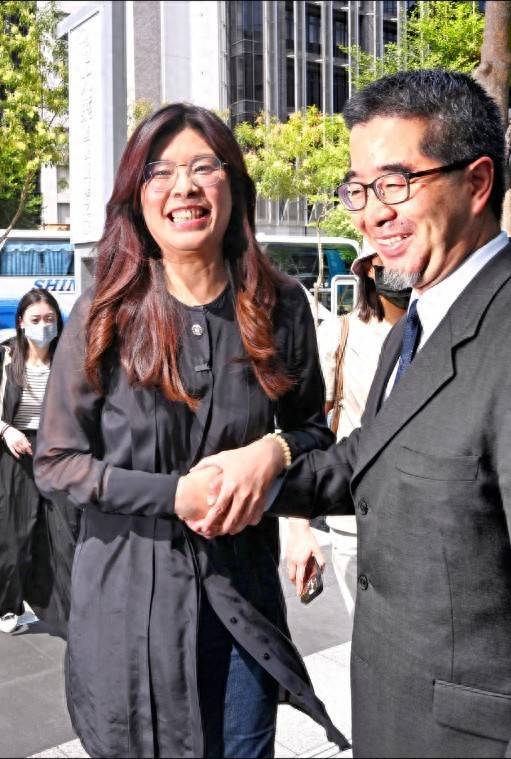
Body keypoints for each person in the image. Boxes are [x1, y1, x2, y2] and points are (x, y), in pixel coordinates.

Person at [190, 70, 511, 757]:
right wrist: (266, 466)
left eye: (395, 183)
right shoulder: (419, 323)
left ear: (477, 183)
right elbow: (369, 459)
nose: (371, 214)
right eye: (358, 189)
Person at [33, 103, 347, 759]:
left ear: (233, 185)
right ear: (137, 195)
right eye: (162, 172)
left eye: (205, 168)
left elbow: (313, 431)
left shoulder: (281, 306)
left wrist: (272, 450)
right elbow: (57, 461)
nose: (185, 188)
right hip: (128, 610)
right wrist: (172, 494)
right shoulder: (104, 314)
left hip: (241, 602)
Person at [285, 242, 407, 612]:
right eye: (387, 256)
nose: (400, 264)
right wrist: (299, 528)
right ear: (368, 268)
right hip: (355, 522)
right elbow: (305, 431)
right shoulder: (340, 334)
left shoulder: (439, 329)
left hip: (426, 521)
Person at [0, 288, 80, 635]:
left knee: (66, 531)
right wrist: (7, 430)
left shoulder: (69, 356)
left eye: (50, 318)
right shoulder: (5, 356)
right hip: (15, 451)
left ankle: (69, 607)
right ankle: (9, 608)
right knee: (13, 533)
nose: (43, 325)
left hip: (58, 452)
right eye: (36, 319)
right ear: (21, 322)